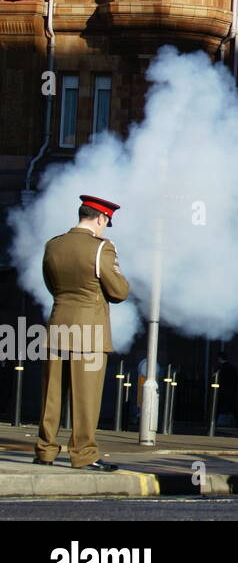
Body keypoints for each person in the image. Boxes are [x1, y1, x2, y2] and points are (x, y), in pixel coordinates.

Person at [33, 195, 130, 470]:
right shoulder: (102, 248)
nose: (104, 227)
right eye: (106, 222)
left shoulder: (53, 245)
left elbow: (51, 285)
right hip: (90, 332)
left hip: (58, 324)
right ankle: (83, 454)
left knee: (51, 396)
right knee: (86, 398)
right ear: (101, 218)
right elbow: (119, 291)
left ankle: (45, 451)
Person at [216, 352, 238, 427]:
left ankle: (213, 422)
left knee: (217, 407)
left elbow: (219, 380)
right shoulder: (232, 367)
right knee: (233, 408)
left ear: (220, 358)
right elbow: (236, 380)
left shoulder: (221, 368)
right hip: (231, 391)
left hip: (222, 391)